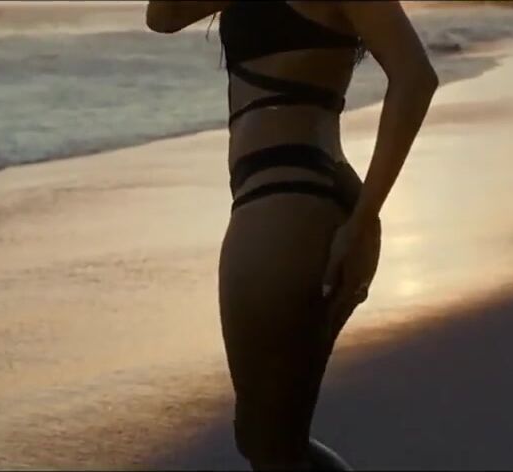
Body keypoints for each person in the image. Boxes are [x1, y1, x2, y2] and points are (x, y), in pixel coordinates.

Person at [146, 1, 437, 469]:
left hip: (291, 202)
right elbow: (162, 16)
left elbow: (416, 77)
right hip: (289, 199)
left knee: (273, 445)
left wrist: (363, 222)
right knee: (266, 439)